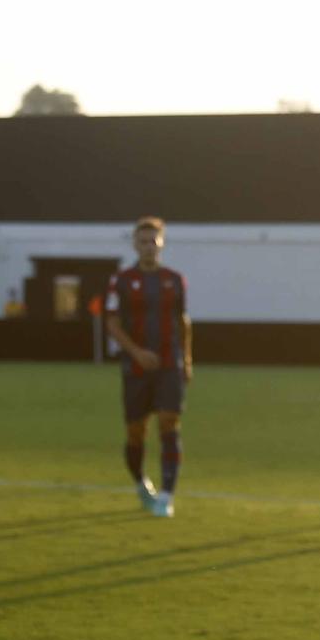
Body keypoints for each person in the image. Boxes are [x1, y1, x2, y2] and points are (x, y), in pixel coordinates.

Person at [103, 217, 190, 518]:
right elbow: (112, 324)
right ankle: (142, 484)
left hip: (169, 365)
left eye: (153, 241)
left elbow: (183, 322)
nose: (148, 246)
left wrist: (187, 360)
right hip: (136, 368)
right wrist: (137, 353)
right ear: (134, 244)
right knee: (136, 433)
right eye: (143, 241)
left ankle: (166, 495)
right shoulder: (121, 281)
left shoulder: (175, 280)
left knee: (169, 422)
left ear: (162, 242)